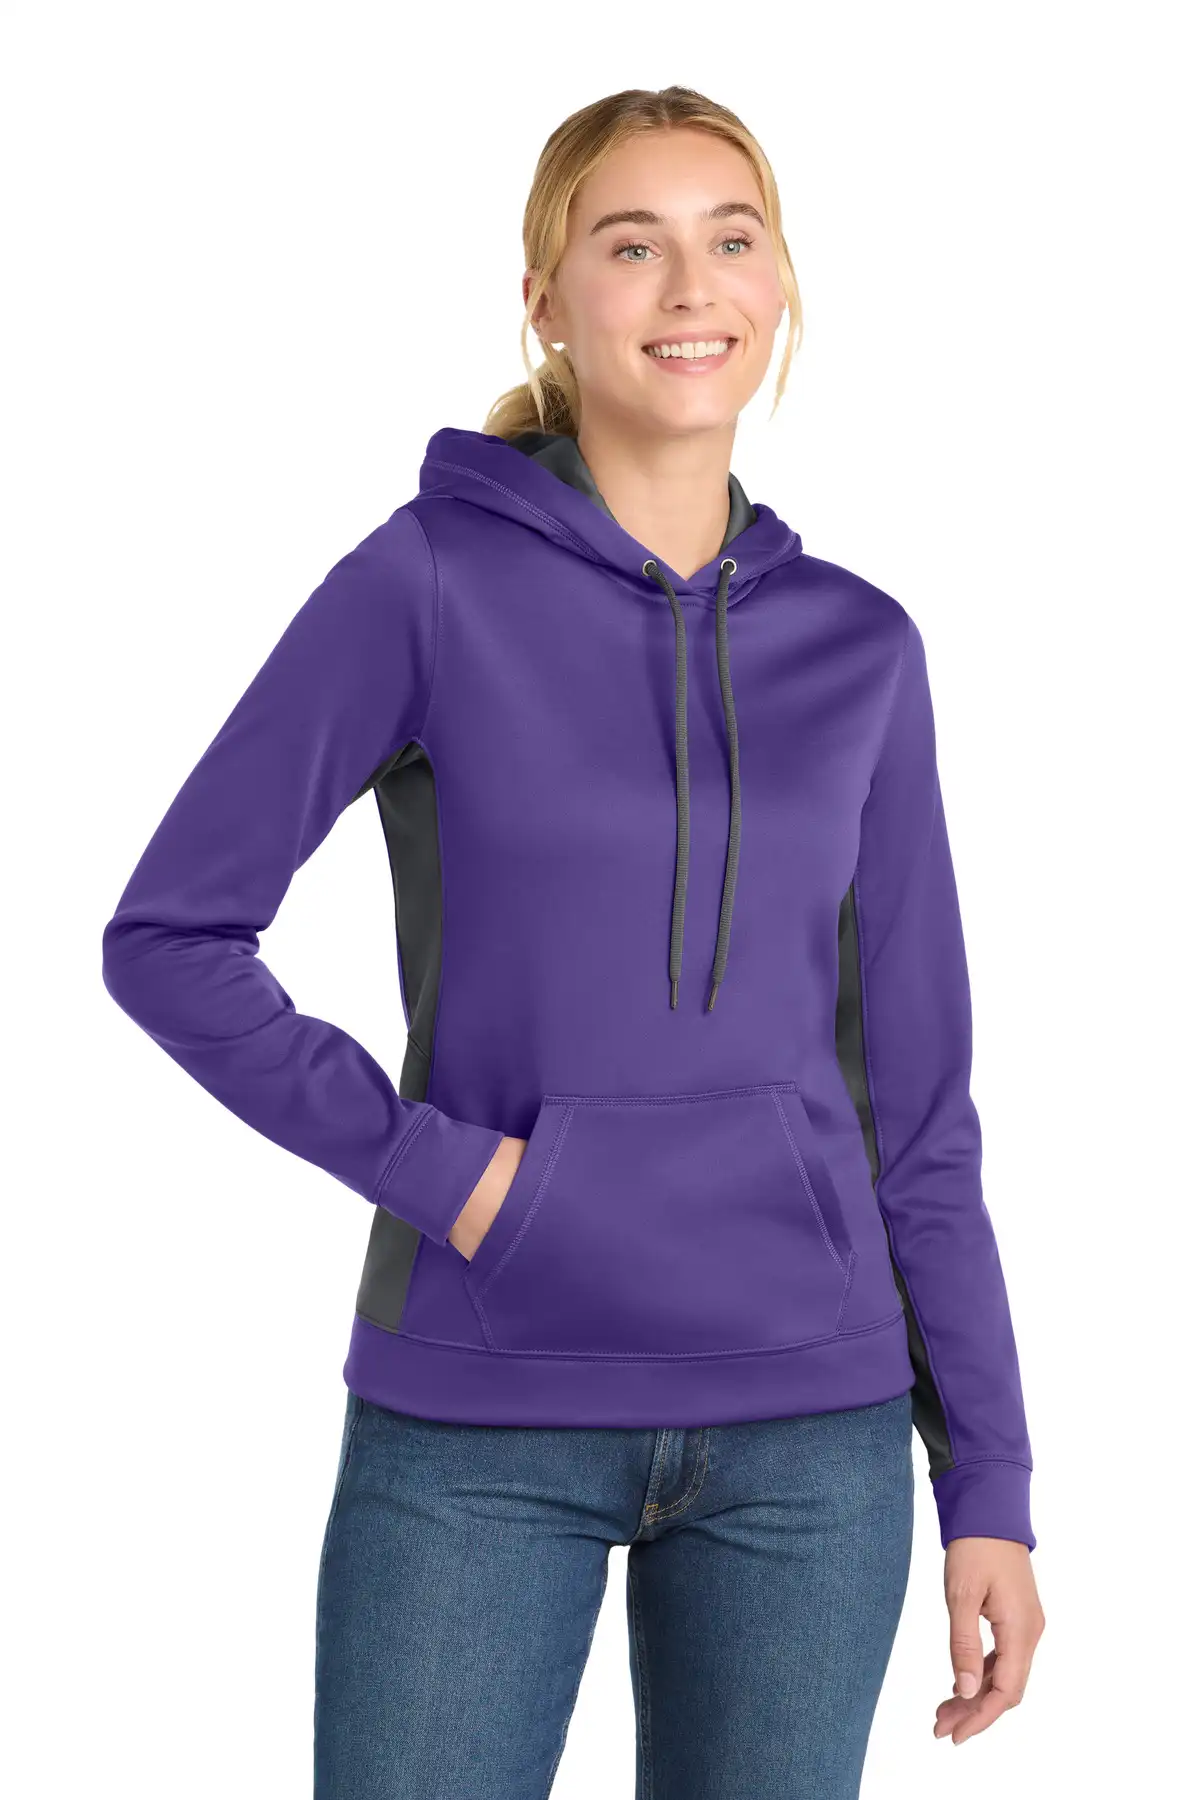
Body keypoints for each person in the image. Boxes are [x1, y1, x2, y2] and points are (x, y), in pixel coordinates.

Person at [100, 83, 1045, 1800]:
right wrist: (451, 1179)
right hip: (480, 1408)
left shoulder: (864, 650)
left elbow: (919, 1107)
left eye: (731, 239)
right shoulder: (426, 582)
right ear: (546, 299)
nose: (691, 287)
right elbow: (172, 936)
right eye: (632, 246)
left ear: (779, 287)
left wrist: (988, 1478)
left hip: (810, 1440)